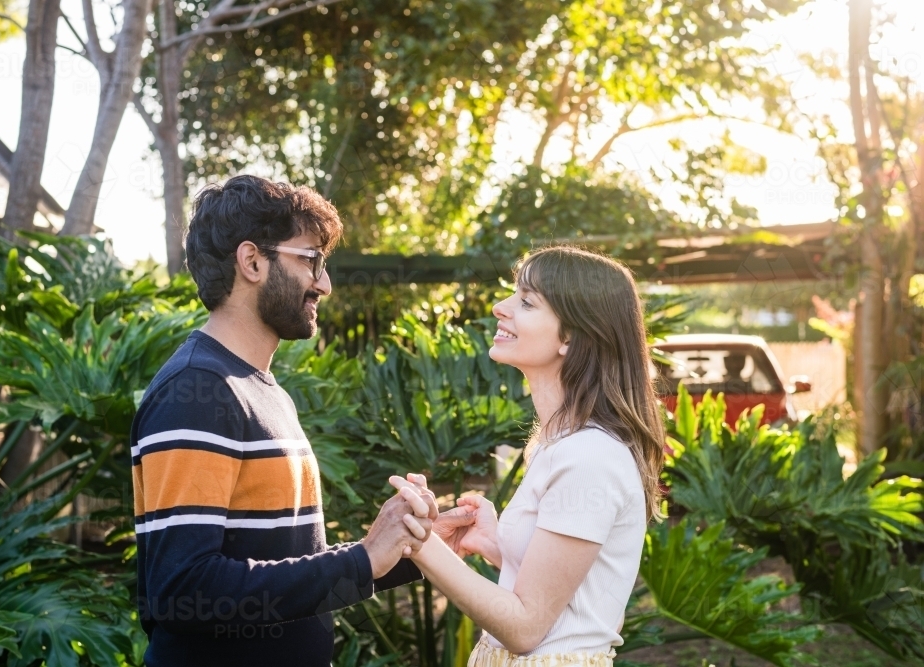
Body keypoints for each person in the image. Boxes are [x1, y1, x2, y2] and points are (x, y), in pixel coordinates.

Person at [130, 175, 453, 667]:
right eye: (310, 260)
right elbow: (183, 588)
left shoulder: (261, 389)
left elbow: (283, 564)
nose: (323, 283)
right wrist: (363, 558)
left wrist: (412, 551)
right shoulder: (198, 391)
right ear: (252, 261)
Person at [392, 246, 666, 667]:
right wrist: (497, 545)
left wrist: (421, 544)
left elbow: (526, 628)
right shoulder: (562, 444)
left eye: (526, 301)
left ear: (572, 335)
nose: (501, 308)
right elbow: (572, 592)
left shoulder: (589, 455)